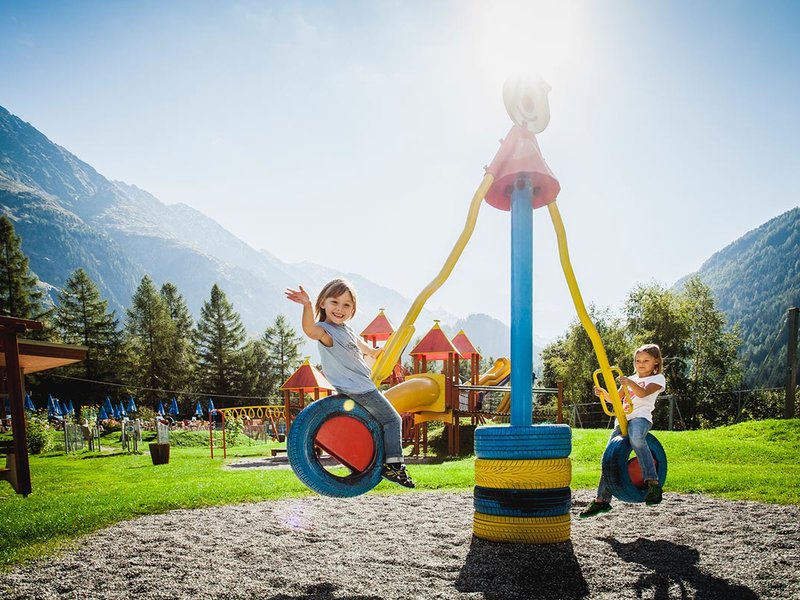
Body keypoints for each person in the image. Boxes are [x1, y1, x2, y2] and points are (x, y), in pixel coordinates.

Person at [285, 278, 415, 488]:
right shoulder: (326, 332)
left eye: (346, 305)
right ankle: (395, 465)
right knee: (393, 420)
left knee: (381, 422)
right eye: (334, 302)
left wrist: (372, 352)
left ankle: (380, 459)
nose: (340, 309)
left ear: (353, 310)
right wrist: (307, 305)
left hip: (361, 386)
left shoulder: (346, 329)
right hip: (359, 389)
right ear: (323, 304)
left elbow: (357, 343)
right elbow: (310, 331)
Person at [580, 343, 666, 518]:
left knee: (636, 439)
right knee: (609, 457)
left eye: (646, 360)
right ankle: (601, 500)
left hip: (640, 418)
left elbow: (642, 394)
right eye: (637, 360)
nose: (640, 364)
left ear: (656, 362)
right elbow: (616, 399)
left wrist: (629, 383)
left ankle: (652, 482)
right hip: (623, 419)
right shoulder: (631, 378)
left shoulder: (657, 379)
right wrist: (604, 394)